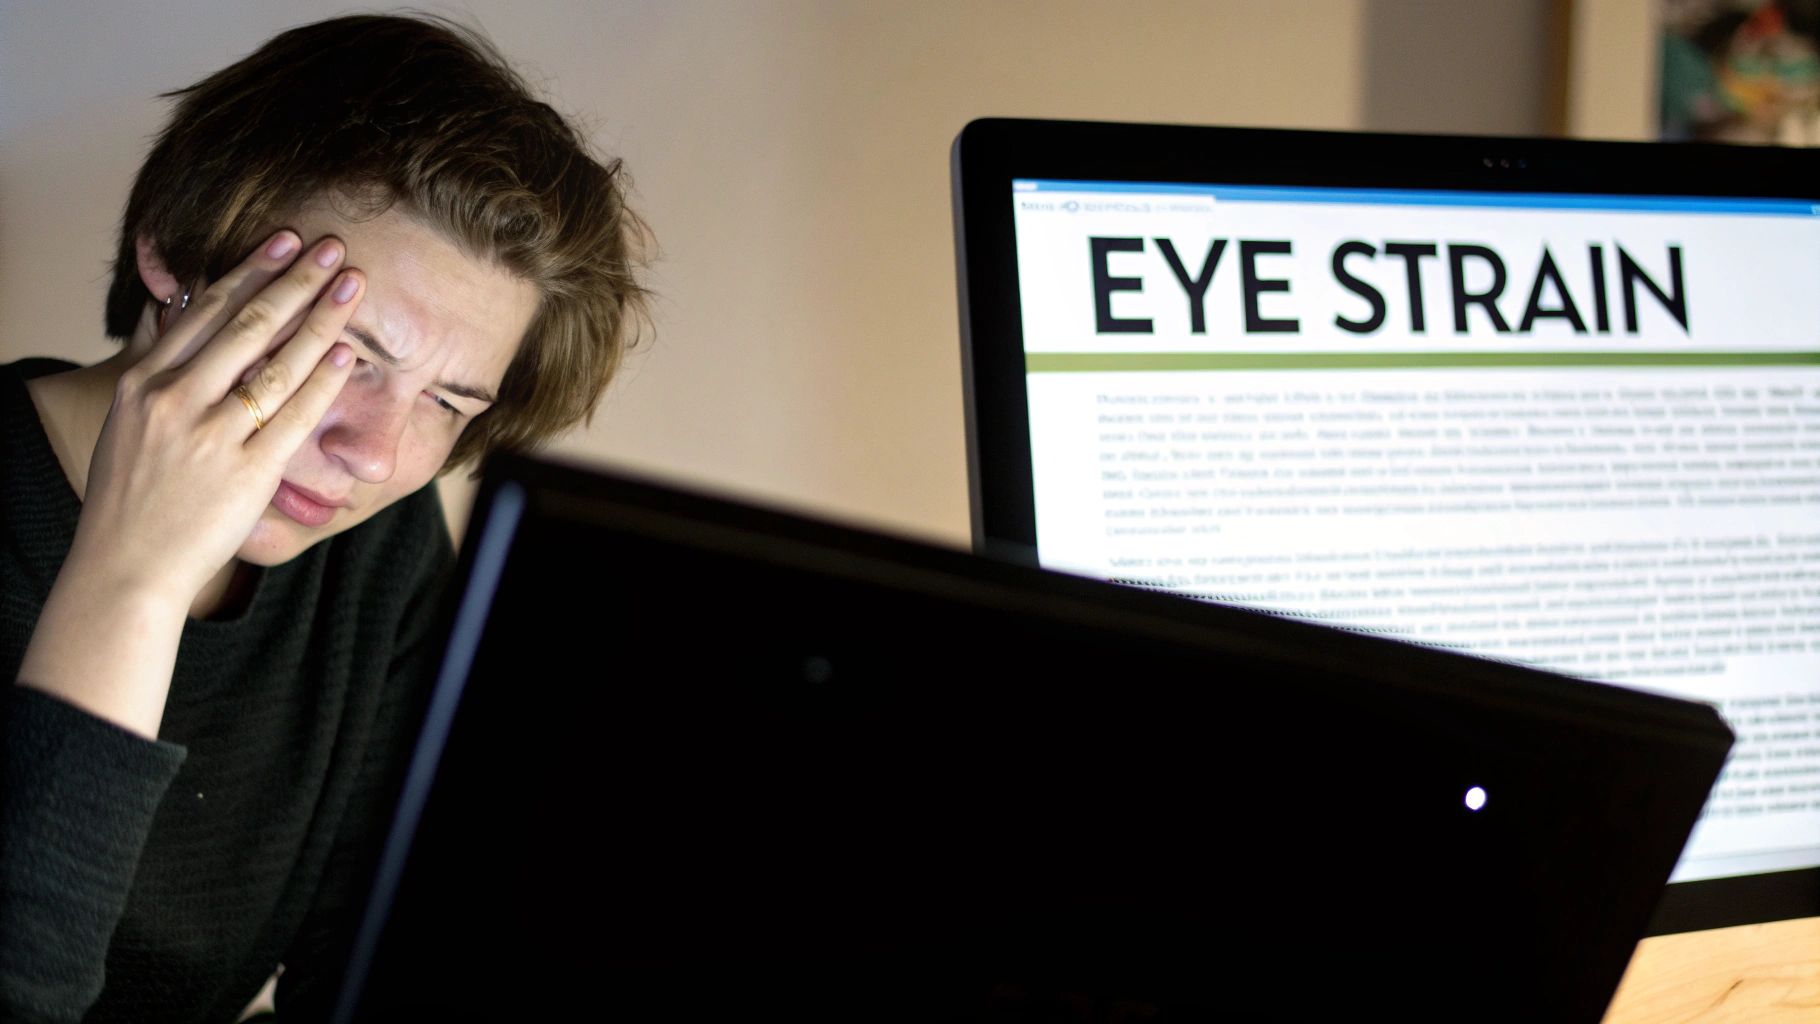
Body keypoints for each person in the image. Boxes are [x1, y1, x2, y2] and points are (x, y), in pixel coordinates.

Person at [0, 14, 650, 1022]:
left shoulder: (374, 554)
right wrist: (134, 581)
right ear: (174, 258)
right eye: (344, 352)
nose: (376, 454)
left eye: (446, 403)